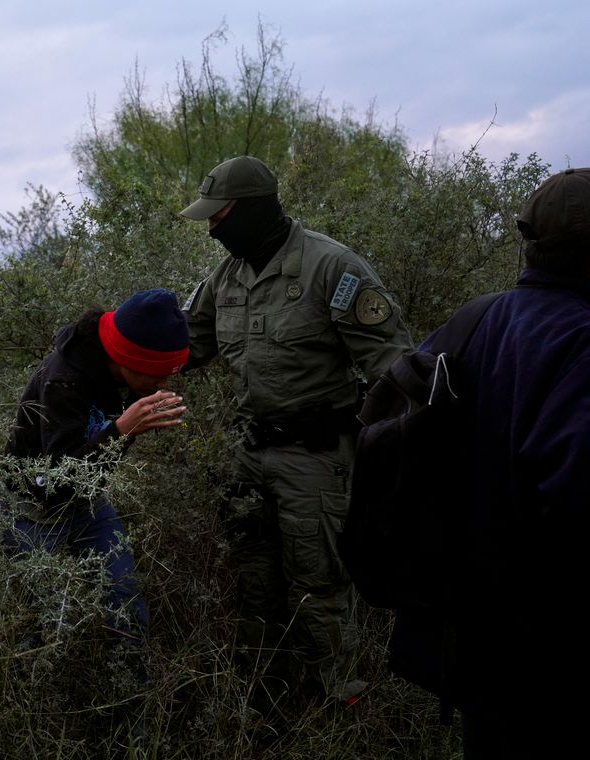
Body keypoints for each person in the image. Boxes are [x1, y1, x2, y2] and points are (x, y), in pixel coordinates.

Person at [178, 156, 414, 710]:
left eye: (220, 217)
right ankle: (267, 703)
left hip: (316, 458)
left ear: (253, 211)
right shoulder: (226, 276)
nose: (212, 228)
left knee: (319, 589)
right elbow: (186, 346)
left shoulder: (332, 268)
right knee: (254, 584)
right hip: (249, 455)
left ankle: (341, 708)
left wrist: (391, 453)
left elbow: (394, 366)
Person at [387, 168, 589, 759]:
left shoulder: (470, 322)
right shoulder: (580, 341)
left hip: (471, 631)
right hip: (552, 645)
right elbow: (575, 499)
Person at [0, 289, 189, 742]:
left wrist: (124, 426)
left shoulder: (129, 363)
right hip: (32, 508)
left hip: (87, 504)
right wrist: (122, 430)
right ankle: (33, 729)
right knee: (43, 621)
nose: (162, 388)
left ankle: (130, 728)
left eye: (170, 376)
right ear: (125, 359)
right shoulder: (64, 379)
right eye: (156, 377)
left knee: (125, 605)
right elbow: (57, 480)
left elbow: (84, 481)